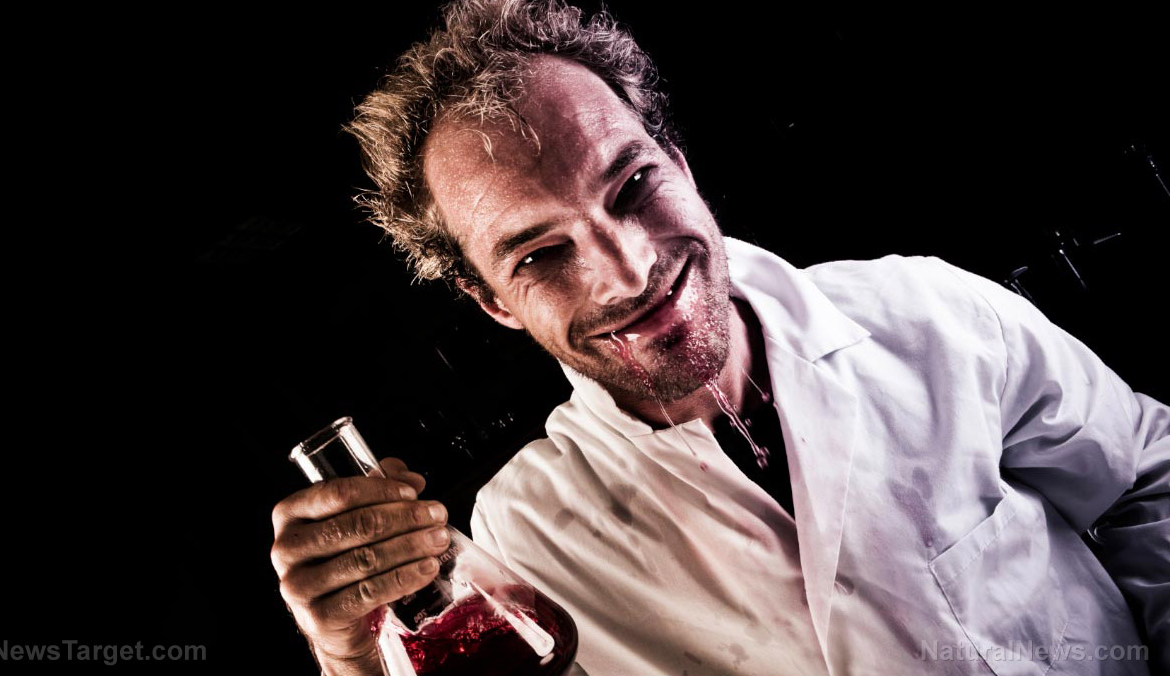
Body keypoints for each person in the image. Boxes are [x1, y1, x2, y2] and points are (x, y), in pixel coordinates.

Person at [269, 1, 1169, 674]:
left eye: (631, 188)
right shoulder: (527, 538)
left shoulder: (926, 313)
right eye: (540, 254)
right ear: (492, 301)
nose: (628, 273)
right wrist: (357, 659)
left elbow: (1143, 484)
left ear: (680, 165)